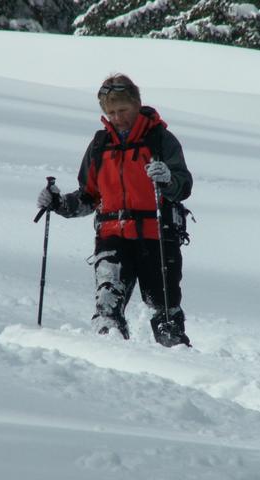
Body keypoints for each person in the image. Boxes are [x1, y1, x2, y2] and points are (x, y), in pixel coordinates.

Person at [37, 73, 193, 347]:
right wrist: (58, 203)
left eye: (123, 110)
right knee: (106, 308)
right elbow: (89, 197)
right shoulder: (100, 145)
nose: (118, 118)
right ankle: (110, 358)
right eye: (111, 112)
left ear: (137, 104)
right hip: (112, 236)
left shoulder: (160, 140)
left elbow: (183, 187)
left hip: (158, 235)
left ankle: (176, 360)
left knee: (165, 313)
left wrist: (168, 178)